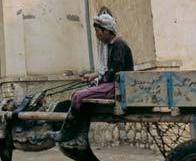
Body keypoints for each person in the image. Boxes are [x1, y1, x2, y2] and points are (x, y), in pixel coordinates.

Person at [51, 13, 134, 142]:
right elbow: (109, 71)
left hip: (118, 87)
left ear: (106, 31)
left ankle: (67, 133)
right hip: (114, 84)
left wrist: (98, 80)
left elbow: (114, 72)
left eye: (97, 31)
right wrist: (94, 77)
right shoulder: (113, 45)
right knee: (77, 94)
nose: (96, 35)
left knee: (78, 96)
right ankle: (75, 133)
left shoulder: (119, 45)